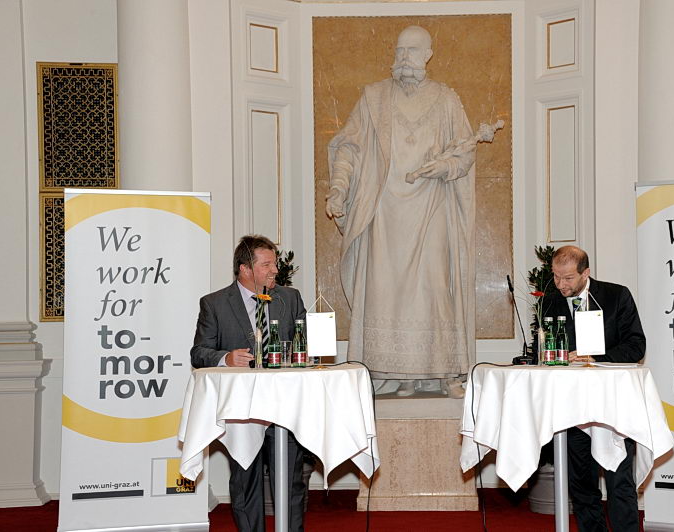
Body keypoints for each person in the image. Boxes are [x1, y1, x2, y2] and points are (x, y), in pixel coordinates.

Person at [325, 25, 475, 397]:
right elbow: (349, 148)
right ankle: (391, 371)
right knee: (384, 294)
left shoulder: (446, 99)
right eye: (400, 50)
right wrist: (339, 189)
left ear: (428, 54)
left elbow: (464, 152)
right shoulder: (373, 97)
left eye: (412, 50)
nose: (405, 57)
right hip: (384, 214)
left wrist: (444, 166)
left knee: (434, 289)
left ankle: (441, 372)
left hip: (431, 211)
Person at [191, 235, 307, 532]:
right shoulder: (215, 304)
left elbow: (306, 344)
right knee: (246, 482)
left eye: (274, 263)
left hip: (285, 407)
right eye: (267, 264)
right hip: (242, 410)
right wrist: (226, 358)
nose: (275, 270)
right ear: (245, 268)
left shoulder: (290, 298)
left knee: (291, 482)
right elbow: (199, 353)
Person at [542, 245, 646, 532]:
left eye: (568, 278)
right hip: (572, 405)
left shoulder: (616, 296)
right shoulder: (550, 303)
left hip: (612, 403)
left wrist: (596, 356)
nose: (561, 285)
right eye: (556, 277)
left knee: (618, 480)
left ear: (585, 273)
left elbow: (636, 346)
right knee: (581, 483)